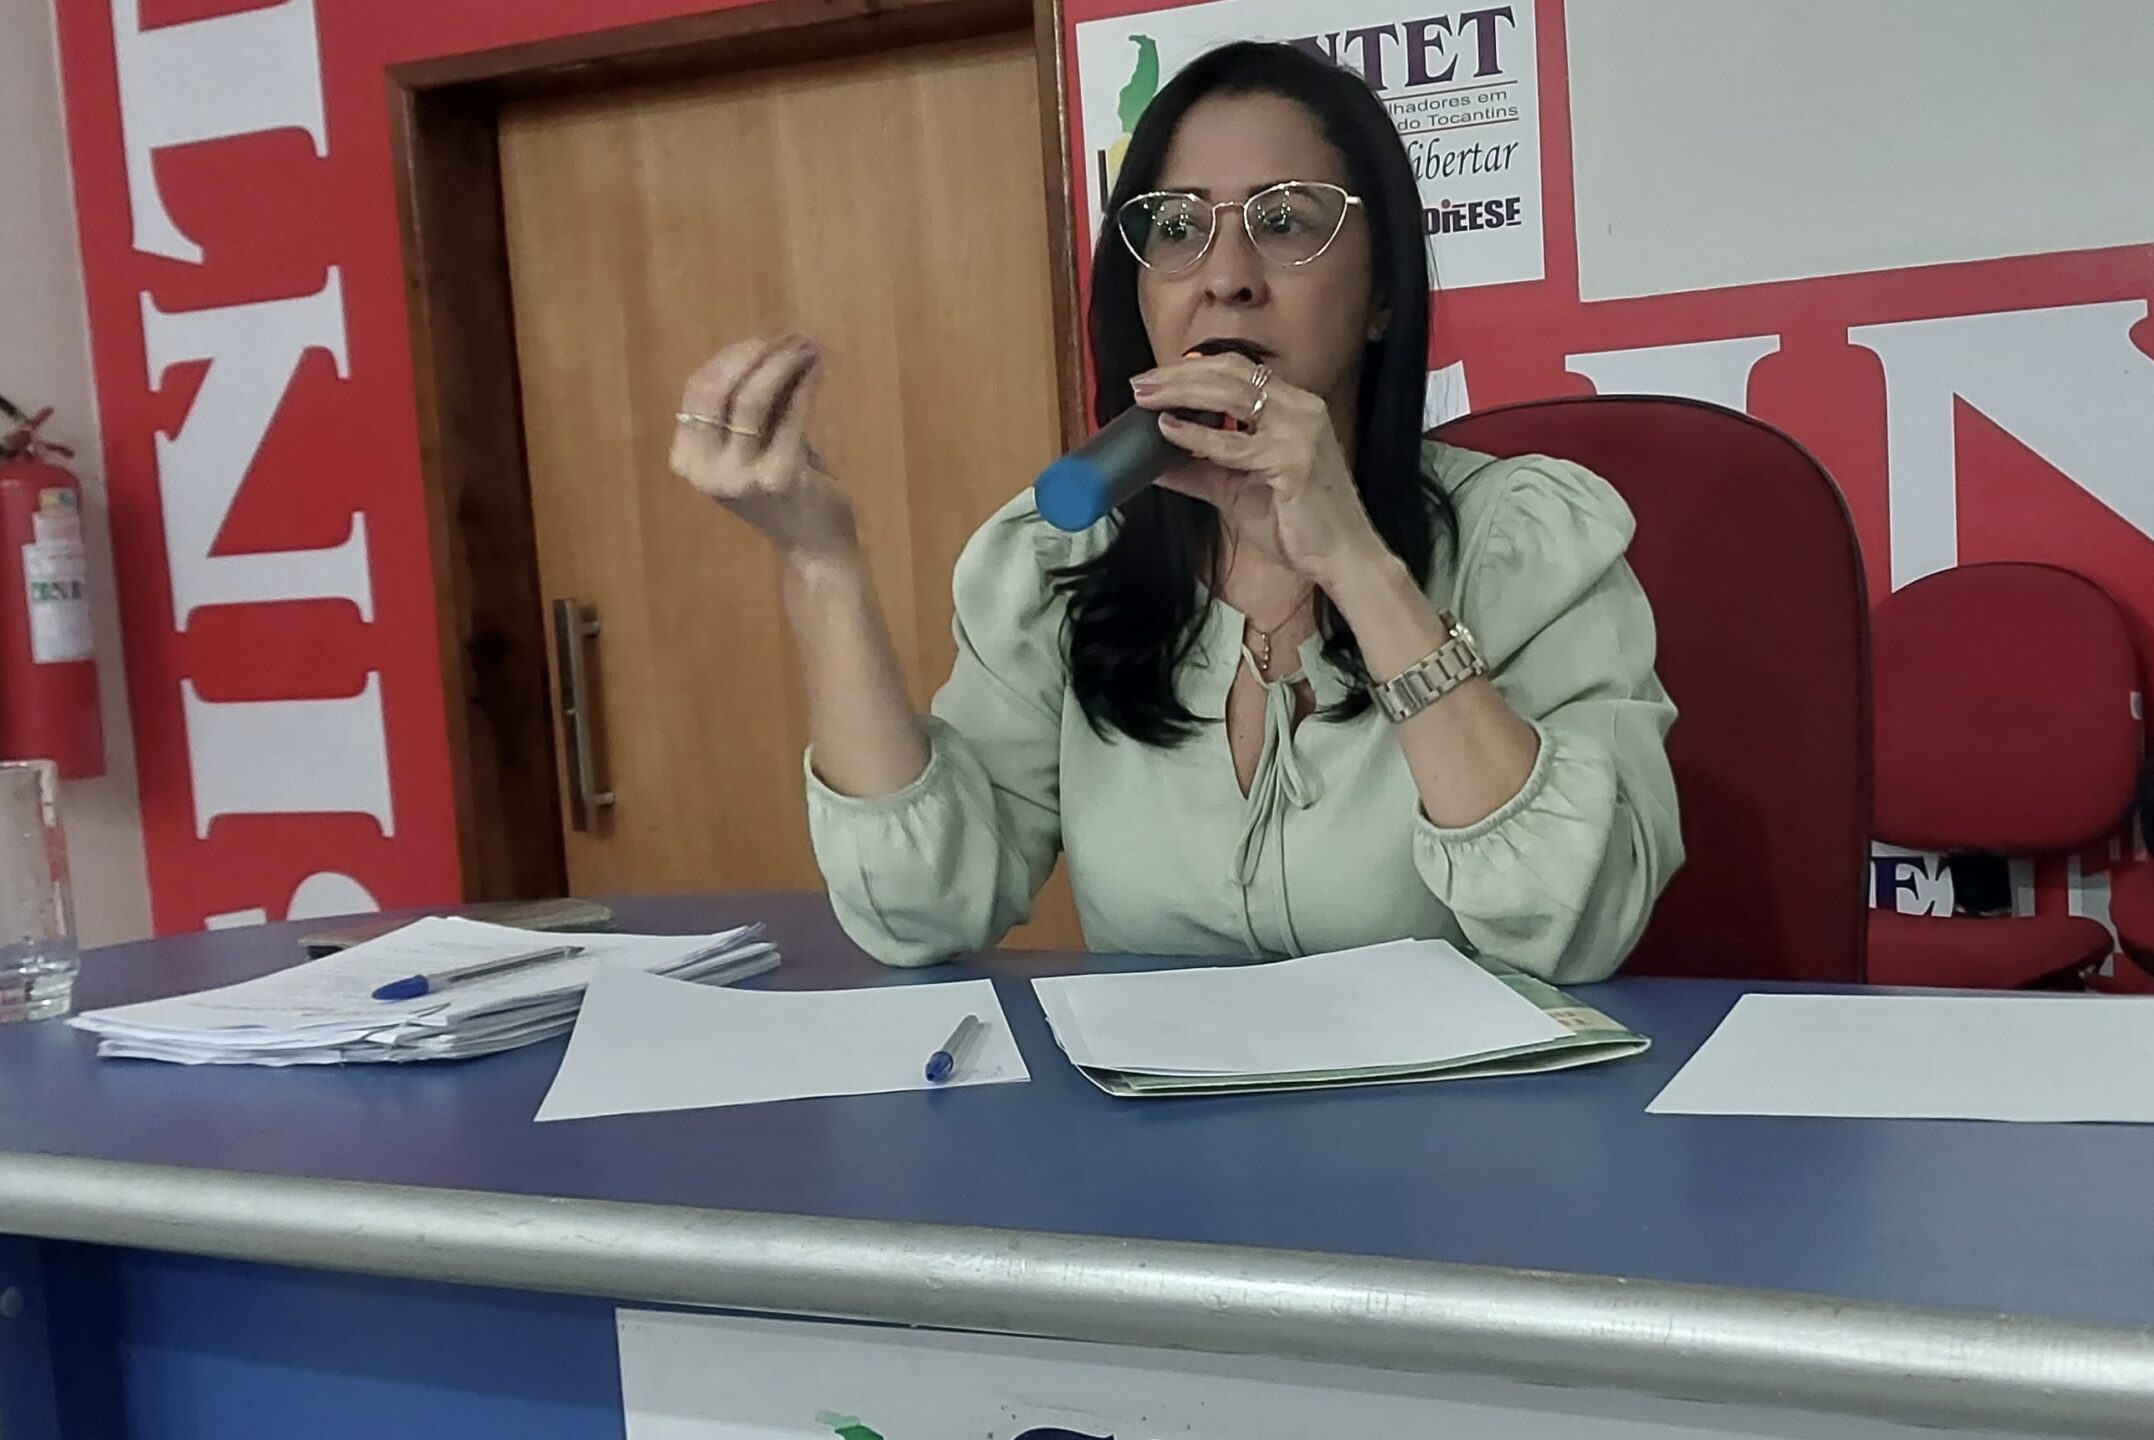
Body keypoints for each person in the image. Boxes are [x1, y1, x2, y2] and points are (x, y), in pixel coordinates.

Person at [670, 41, 1680, 984]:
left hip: (1469, 1114)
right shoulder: (1058, 559)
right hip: (1161, 1115)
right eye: (1178, 230)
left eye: (1284, 222)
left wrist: (1358, 567)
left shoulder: (1526, 542)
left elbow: (1578, 921)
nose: (1225, 279)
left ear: (1382, 295)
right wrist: (822, 567)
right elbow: (922, 911)